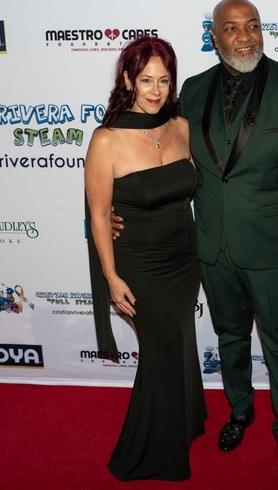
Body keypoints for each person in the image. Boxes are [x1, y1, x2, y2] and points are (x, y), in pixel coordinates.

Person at [113, 0, 278, 489]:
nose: (244, 36)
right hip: (211, 249)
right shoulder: (193, 91)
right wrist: (121, 208)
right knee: (230, 337)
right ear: (214, 37)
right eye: (232, 28)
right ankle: (240, 409)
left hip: (277, 252)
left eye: (253, 26)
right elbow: (157, 152)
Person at [84, 36, 207, 482]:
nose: (155, 90)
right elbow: (100, 216)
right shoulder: (106, 140)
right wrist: (111, 276)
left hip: (184, 259)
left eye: (164, 80)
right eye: (146, 80)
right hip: (139, 264)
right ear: (128, 80)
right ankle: (151, 452)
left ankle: (186, 421)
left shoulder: (181, 127)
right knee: (160, 351)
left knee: (180, 341)